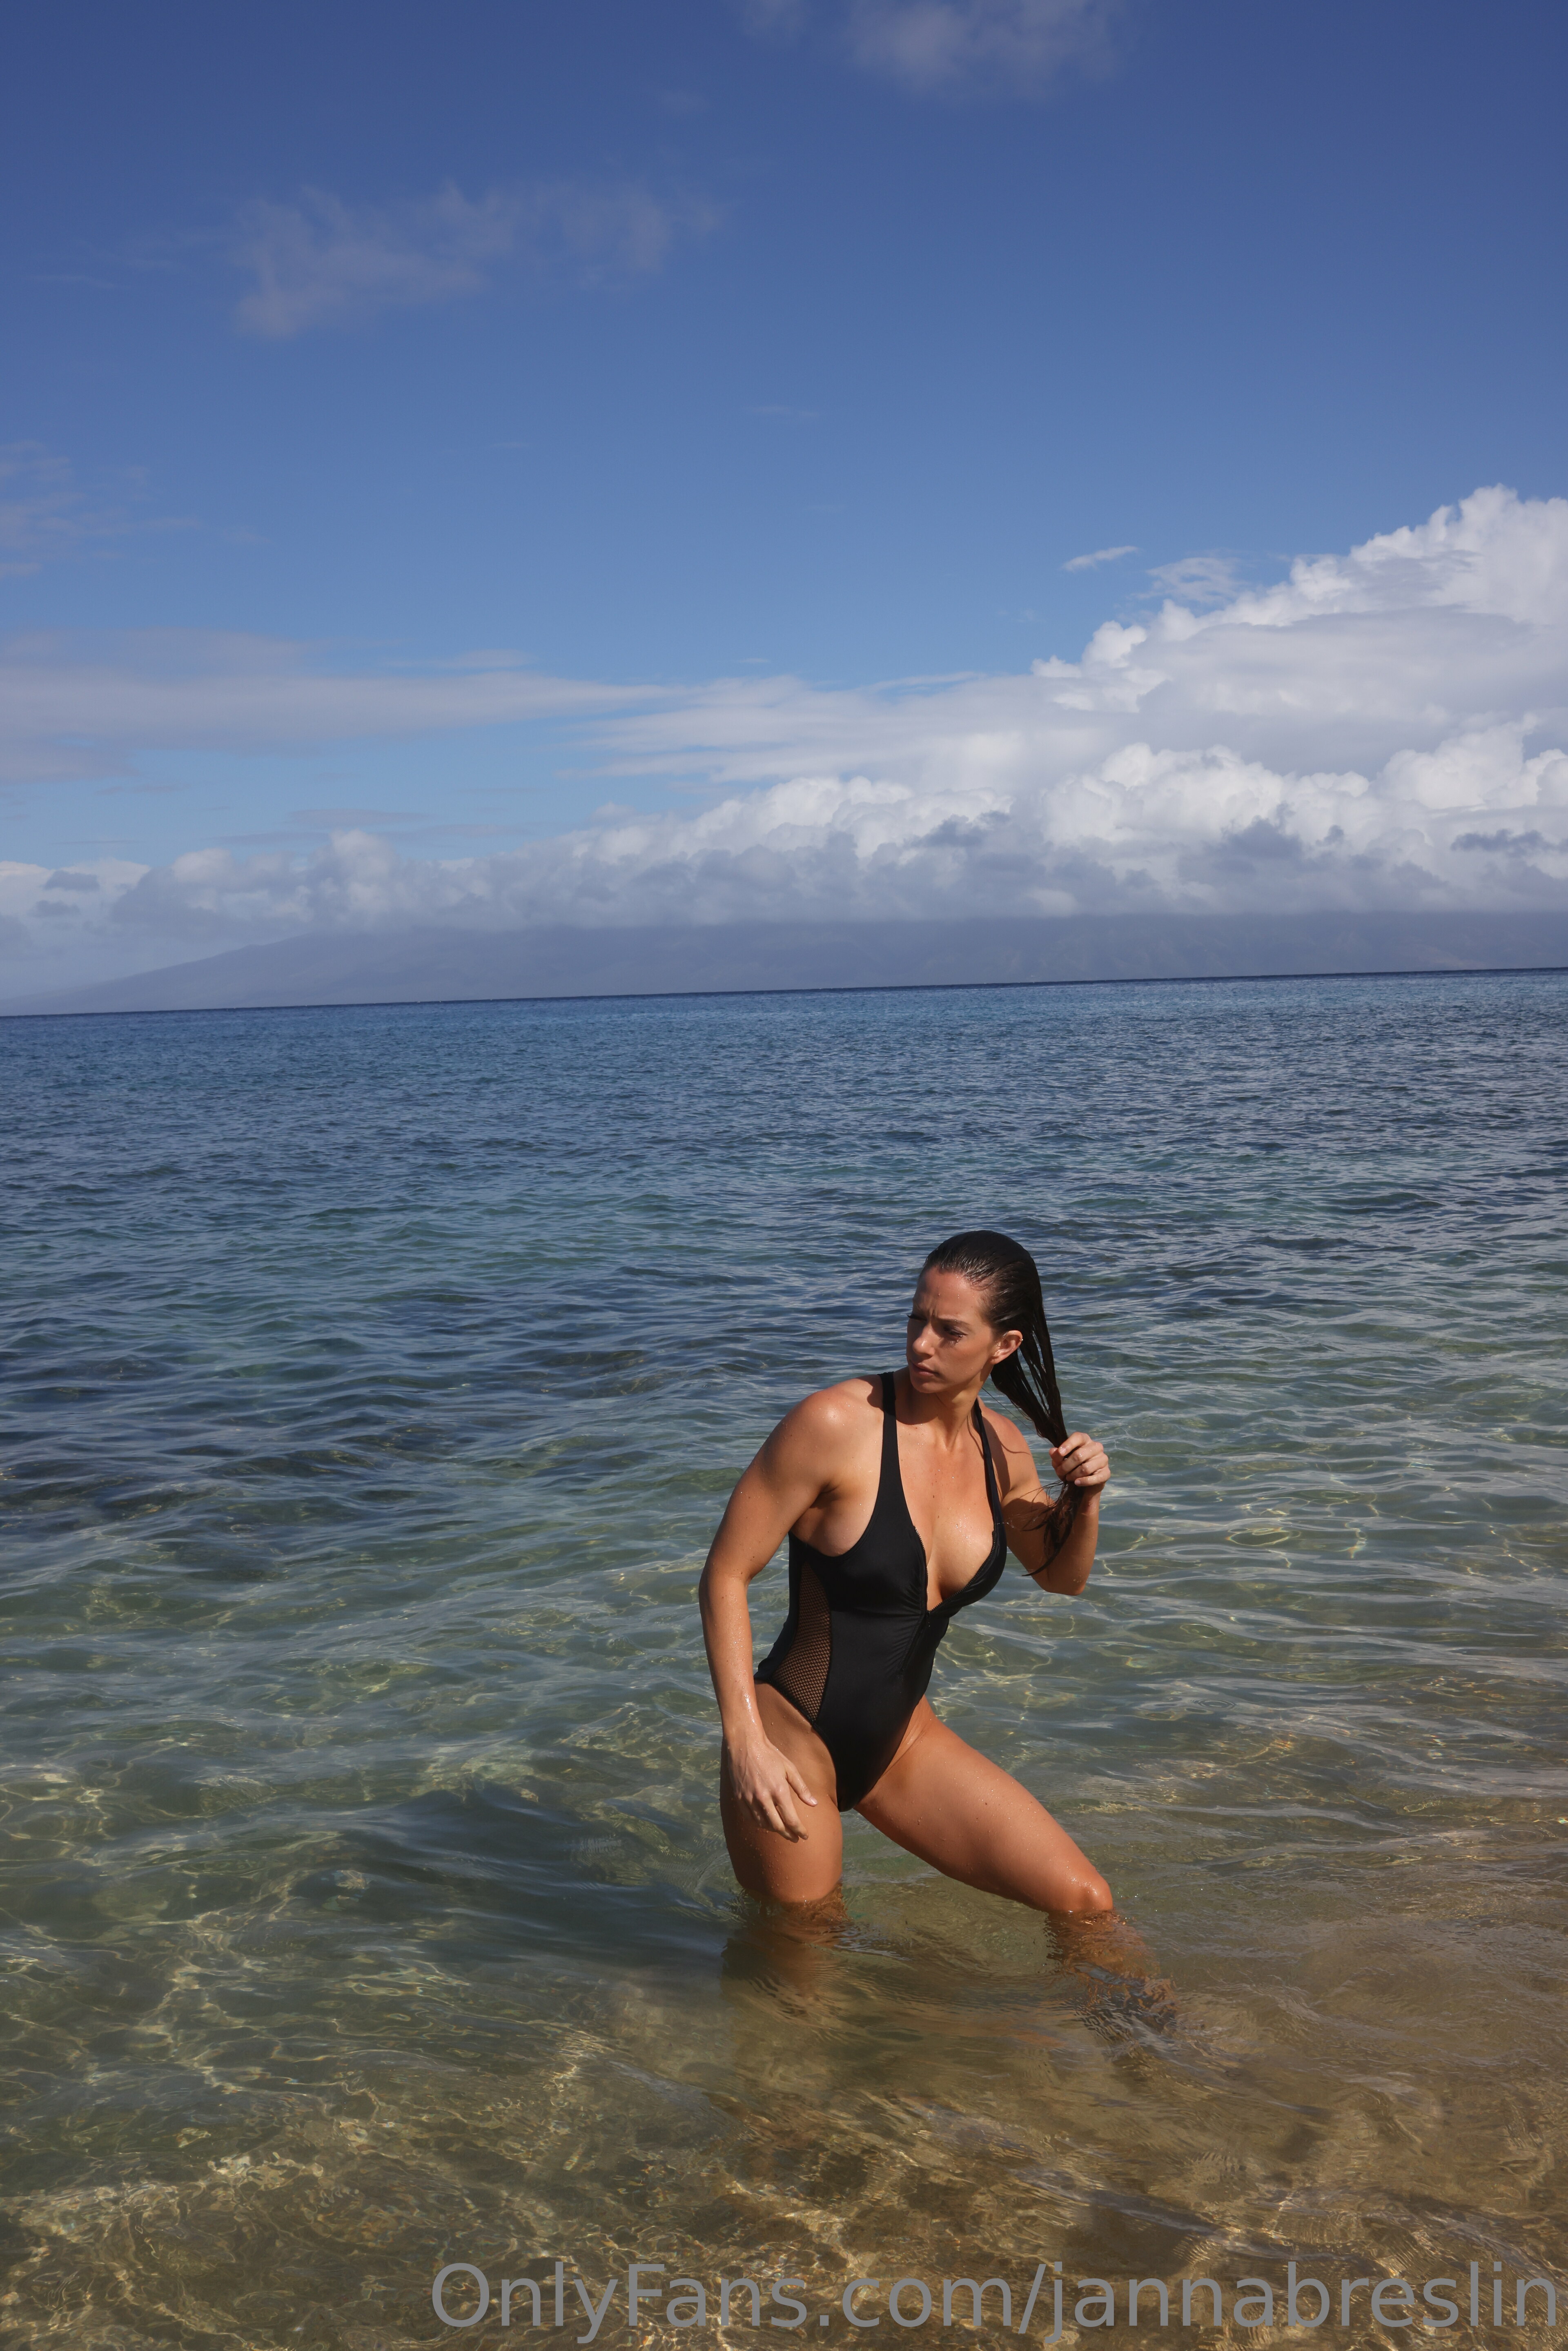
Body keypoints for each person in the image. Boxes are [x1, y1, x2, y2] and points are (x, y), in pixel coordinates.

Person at [698, 1229, 1116, 1918]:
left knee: (1086, 1904)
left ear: (1004, 1345)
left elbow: (1061, 1576)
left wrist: (1086, 1497)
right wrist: (745, 1744)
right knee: (808, 1960)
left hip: (904, 1742)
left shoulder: (1002, 1449)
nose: (922, 1343)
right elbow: (724, 1573)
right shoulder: (836, 1423)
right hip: (788, 1743)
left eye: (949, 1331)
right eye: (917, 1318)